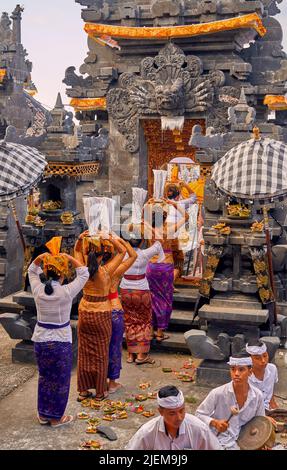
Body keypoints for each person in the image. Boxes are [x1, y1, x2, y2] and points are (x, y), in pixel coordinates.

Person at [28, 237, 89, 427]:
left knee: (45, 376)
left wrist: (42, 257)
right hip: (61, 340)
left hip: (41, 339)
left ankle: (44, 414)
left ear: (46, 273)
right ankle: (56, 417)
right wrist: (68, 258)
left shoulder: (37, 289)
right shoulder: (66, 292)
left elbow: (31, 270)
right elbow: (84, 273)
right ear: (62, 274)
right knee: (61, 379)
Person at [74, 231, 127, 402]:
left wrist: (80, 238)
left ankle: (83, 391)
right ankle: (99, 392)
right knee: (101, 353)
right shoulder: (104, 272)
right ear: (102, 254)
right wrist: (110, 237)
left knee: (84, 352)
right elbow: (122, 252)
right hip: (102, 313)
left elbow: (75, 251)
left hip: (84, 312)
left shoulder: (82, 269)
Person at [195, 354, 265, 450]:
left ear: (250, 372)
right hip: (218, 440)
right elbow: (199, 414)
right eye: (233, 369)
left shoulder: (257, 396)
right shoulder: (218, 393)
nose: (236, 373)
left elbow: (260, 422)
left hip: (245, 442)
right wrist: (215, 423)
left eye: (241, 369)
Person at [120, 225, 165, 365]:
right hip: (141, 290)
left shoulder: (122, 254)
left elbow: (115, 240)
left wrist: (124, 240)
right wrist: (147, 226)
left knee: (129, 321)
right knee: (144, 322)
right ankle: (141, 355)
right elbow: (159, 241)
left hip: (125, 290)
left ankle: (130, 355)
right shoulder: (145, 254)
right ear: (142, 242)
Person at [145, 199, 189, 342]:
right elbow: (186, 217)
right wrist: (174, 204)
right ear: (165, 217)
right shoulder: (169, 228)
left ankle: (151, 330)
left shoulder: (147, 228)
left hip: (151, 266)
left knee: (152, 298)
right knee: (165, 298)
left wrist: (149, 203)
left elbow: (141, 217)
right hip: (165, 267)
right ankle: (160, 332)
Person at [126, 385, 221, 450]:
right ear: (161, 412)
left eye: (181, 411)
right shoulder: (147, 432)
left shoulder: (199, 429)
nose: (179, 417)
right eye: (172, 413)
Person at [107, 237, 137, 393]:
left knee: (98, 348)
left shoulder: (91, 270)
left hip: (95, 309)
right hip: (114, 310)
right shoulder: (114, 272)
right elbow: (133, 255)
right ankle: (112, 382)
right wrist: (120, 240)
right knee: (114, 346)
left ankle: (98, 384)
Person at [246, 340, 279, 411]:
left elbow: (272, 387)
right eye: (257, 358)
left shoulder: (272, 368)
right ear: (249, 359)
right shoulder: (245, 377)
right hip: (252, 412)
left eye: (265, 356)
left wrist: (272, 401)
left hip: (268, 409)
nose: (263, 360)